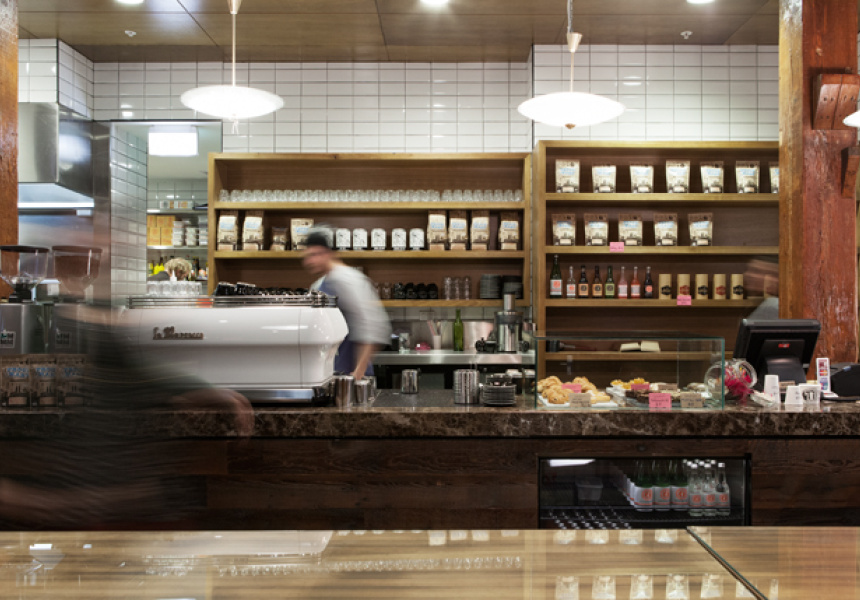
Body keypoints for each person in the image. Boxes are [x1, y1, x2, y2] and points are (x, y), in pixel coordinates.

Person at [302, 229, 391, 379]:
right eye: (307, 256)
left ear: (327, 253)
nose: (308, 262)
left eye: (314, 255)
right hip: (329, 374)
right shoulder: (318, 285)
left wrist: (358, 373)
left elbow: (371, 328)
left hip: (351, 376)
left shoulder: (348, 280)